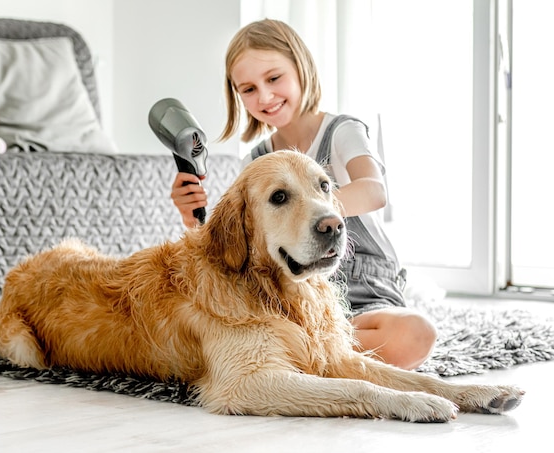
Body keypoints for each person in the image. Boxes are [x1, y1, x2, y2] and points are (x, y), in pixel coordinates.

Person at [170, 18, 436, 370]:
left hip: (361, 287)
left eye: (274, 78)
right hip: (292, 290)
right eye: (248, 89)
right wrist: (192, 216)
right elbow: (236, 248)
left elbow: (373, 191)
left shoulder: (342, 130)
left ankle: (302, 357)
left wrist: (307, 210)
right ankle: (318, 357)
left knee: (415, 335)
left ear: (301, 68)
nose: (264, 97)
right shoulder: (256, 162)